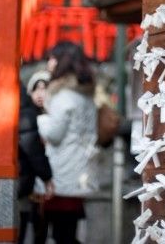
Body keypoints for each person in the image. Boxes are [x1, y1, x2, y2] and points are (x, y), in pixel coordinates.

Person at [37, 42, 98, 244]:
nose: (50, 62)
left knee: (60, 233)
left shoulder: (63, 96)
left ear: (62, 61)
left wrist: (41, 119)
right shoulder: (85, 94)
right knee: (67, 231)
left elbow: (54, 134)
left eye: (53, 57)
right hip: (80, 169)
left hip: (63, 171)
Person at [18, 71, 53, 244]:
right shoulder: (28, 115)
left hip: (43, 181)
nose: (41, 94)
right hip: (32, 182)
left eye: (45, 88)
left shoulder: (55, 118)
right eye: (37, 88)